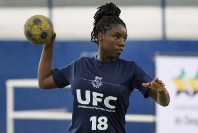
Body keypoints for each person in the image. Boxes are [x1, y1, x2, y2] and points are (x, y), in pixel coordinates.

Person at [38, 2, 170, 133]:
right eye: (116, 36)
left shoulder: (130, 69)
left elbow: (163, 102)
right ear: (101, 37)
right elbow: (44, 81)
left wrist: (161, 91)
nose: (122, 43)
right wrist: (49, 45)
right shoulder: (80, 65)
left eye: (124, 38)